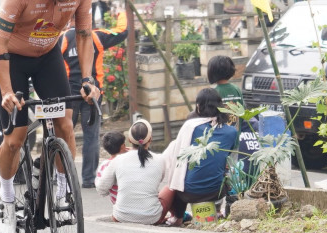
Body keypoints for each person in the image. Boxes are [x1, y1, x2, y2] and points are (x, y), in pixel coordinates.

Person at [0, 0, 94, 233]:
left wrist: (88, 80)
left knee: (65, 125)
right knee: (15, 138)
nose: (65, 1)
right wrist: (7, 91)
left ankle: (61, 193)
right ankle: (6, 197)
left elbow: (84, 34)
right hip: (13, 59)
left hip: (48, 57)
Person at [60, 8, 128, 188]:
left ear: (68, 19)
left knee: (64, 134)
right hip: (93, 92)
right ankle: (89, 179)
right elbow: (122, 31)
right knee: (91, 136)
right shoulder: (96, 36)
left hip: (68, 93)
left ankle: (63, 177)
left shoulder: (62, 39)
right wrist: (121, 12)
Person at [160, 87, 240, 224]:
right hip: (217, 191)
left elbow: (178, 160)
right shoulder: (232, 132)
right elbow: (226, 160)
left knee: (176, 181)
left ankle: (178, 217)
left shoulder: (190, 126)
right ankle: (221, 211)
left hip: (188, 193)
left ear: (198, 106)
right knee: (226, 171)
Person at [95, 119, 164, 224]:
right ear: (150, 139)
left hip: (121, 216)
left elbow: (101, 189)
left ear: (129, 140)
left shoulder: (117, 160)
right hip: (152, 218)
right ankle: (177, 218)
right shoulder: (160, 159)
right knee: (169, 189)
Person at [96, 130, 125, 205]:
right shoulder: (129, 162)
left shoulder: (104, 166)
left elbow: (102, 190)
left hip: (117, 204)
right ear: (123, 146)